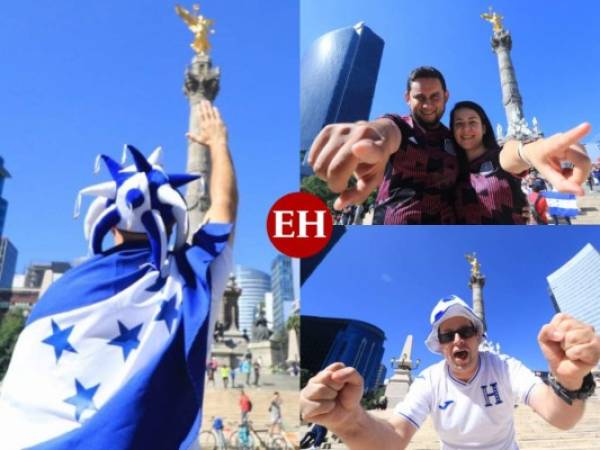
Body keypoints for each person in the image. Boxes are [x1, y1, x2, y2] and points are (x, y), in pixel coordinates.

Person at [0, 100, 238, 449]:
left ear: (110, 225)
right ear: (173, 221)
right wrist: (218, 142)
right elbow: (224, 209)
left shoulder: (62, 290)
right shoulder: (190, 277)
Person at [300, 296, 600, 450]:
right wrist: (349, 422)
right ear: (440, 346)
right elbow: (393, 438)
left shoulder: (504, 366)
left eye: (466, 330)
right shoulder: (430, 380)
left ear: (478, 337)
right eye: (447, 336)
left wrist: (571, 381)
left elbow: (560, 417)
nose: (457, 340)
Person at [308, 66, 592, 224]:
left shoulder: (455, 143)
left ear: (446, 96)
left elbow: (504, 156)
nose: (428, 104)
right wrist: (369, 137)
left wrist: (531, 149)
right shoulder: (400, 125)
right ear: (408, 98)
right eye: (420, 97)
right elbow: (385, 132)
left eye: (435, 96)